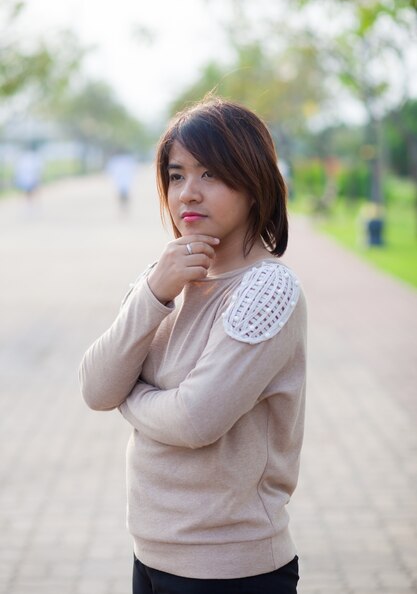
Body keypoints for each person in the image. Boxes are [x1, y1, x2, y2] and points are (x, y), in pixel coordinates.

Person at [80, 97, 307, 594]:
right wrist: (155, 293)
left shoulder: (268, 289)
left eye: (210, 175)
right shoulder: (163, 277)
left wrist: (131, 395)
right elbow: (97, 388)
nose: (188, 194)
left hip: (231, 568)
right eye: (177, 175)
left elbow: (194, 419)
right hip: (151, 553)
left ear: (254, 184)